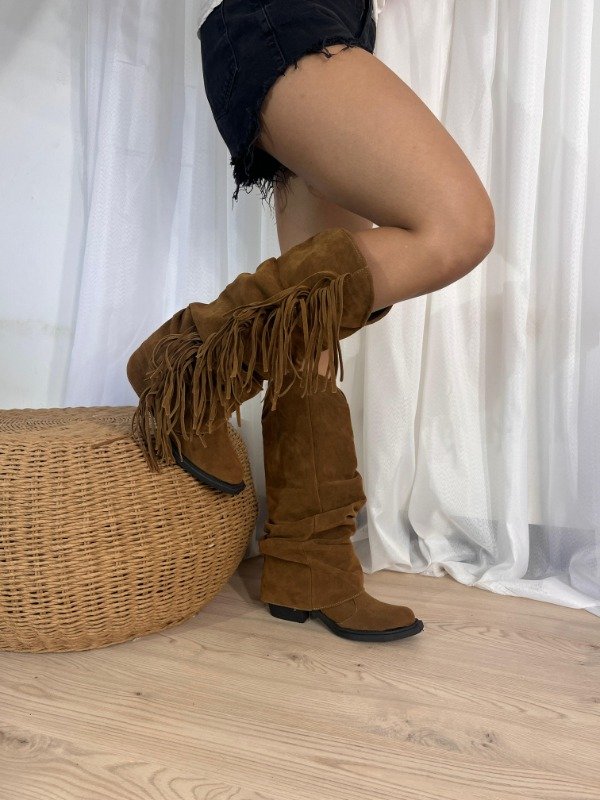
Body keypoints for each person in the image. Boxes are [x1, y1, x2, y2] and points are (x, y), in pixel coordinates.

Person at [126, 0, 494, 643]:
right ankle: (185, 358)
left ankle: (310, 565)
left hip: (322, 25)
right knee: (458, 227)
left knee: (311, 335)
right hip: (285, 19)